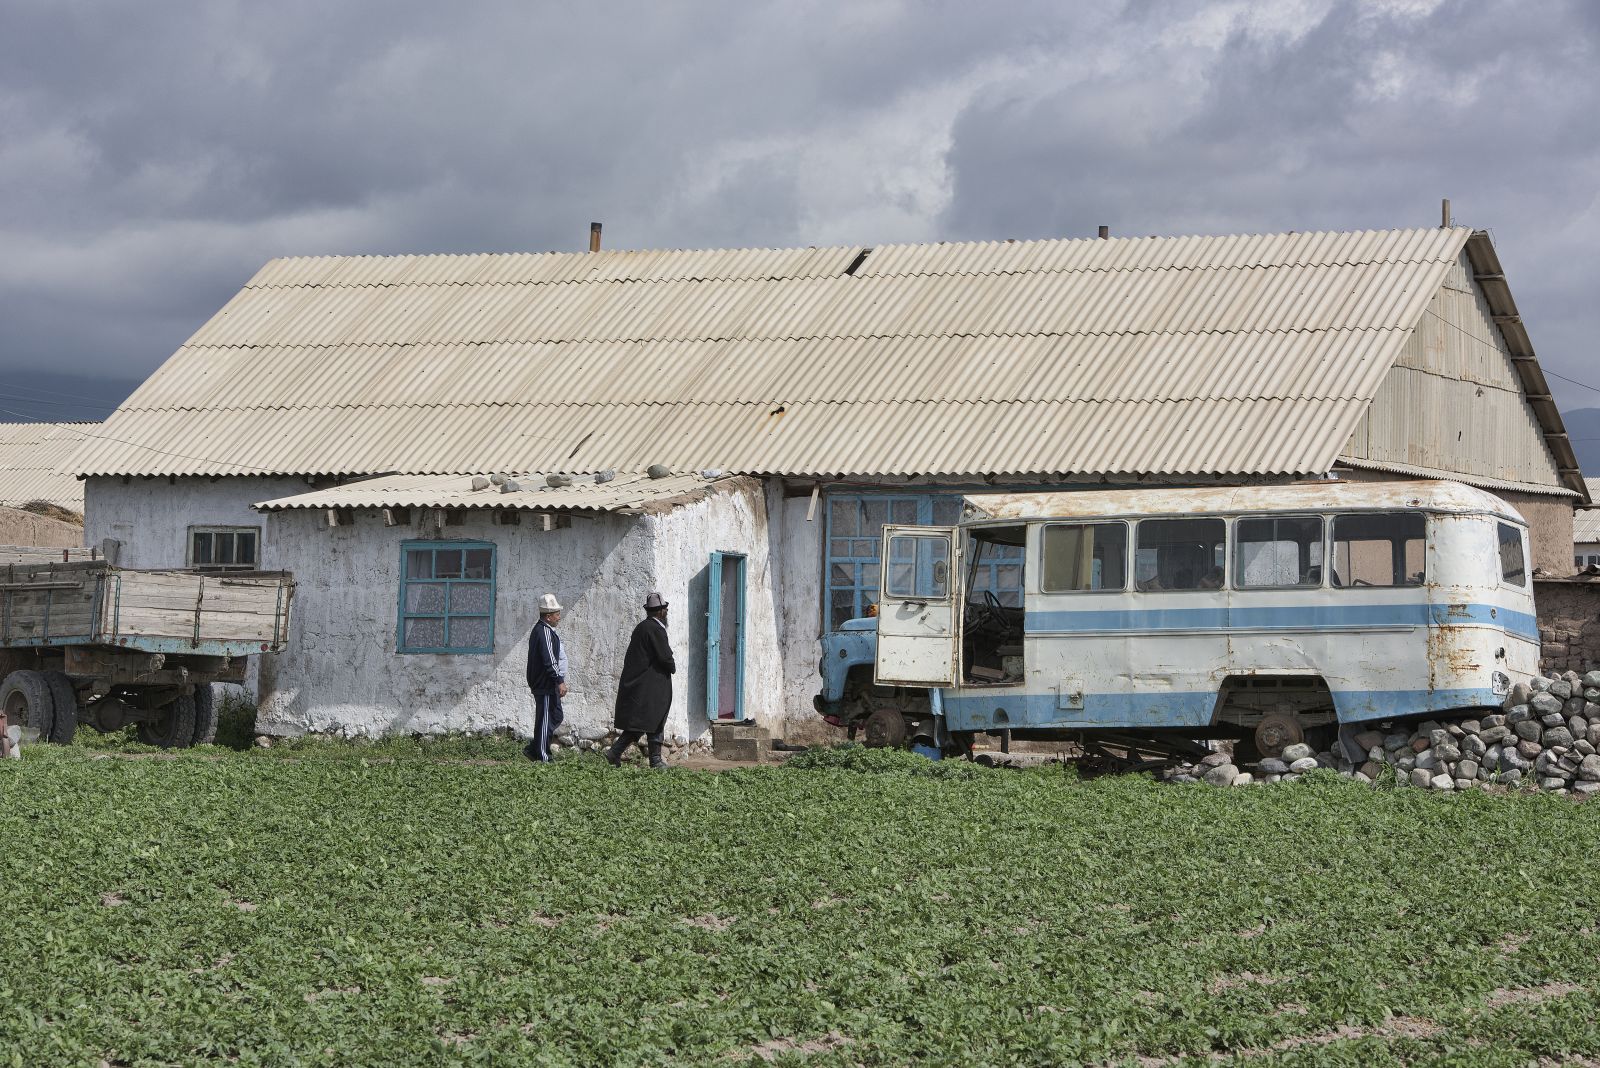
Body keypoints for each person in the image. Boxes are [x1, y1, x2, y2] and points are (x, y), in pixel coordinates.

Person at [606, 591, 675, 769]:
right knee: (654, 719)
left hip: (643, 683)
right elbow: (665, 657)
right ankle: (655, 760)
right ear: (660, 611)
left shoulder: (642, 627)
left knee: (644, 721)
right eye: (665, 609)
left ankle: (616, 752)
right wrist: (672, 666)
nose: (666, 612)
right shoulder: (656, 629)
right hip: (650, 685)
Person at [523, 593, 568, 763]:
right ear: (548, 617)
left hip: (544, 683)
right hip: (545, 684)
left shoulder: (543, 630)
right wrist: (559, 680)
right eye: (556, 614)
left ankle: (534, 747)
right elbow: (550, 660)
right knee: (546, 719)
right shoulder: (544, 632)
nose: (559, 617)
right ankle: (542, 755)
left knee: (555, 716)